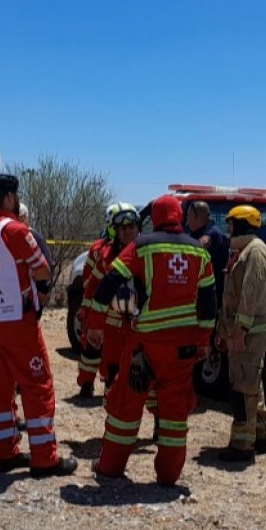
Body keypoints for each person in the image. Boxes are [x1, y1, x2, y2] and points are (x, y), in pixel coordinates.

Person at [88, 194, 216, 486]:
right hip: (183, 350)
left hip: (145, 347)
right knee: (173, 413)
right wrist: (204, 340)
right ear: (180, 216)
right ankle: (168, 475)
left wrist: (95, 322)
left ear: (155, 218)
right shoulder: (200, 251)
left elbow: (110, 280)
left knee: (126, 406)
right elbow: (209, 302)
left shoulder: (143, 247)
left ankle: (110, 467)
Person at [0, 174, 77, 476]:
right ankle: (45, 458)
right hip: (17, 319)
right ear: (8, 197)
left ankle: (4, 452)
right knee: (37, 384)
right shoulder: (14, 229)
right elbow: (42, 269)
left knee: (0, 387)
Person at [216, 205, 266, 463]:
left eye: (231, 224)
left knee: (242, 387)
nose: (228, 229)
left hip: (248, 334)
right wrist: (223, 330)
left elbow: (250, 293)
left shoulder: (256, 251)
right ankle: (259, 435)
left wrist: (239, 329)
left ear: (243, 224)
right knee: (252, 383)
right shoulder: (243, 251)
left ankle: (242, 446)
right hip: (242, 333)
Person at [77, 204, 140, 400]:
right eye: (123, 228)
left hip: (139, 323)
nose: (127, 232)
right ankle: (111, 406)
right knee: (110, 367)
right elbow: (92, 286)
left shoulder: (147, 251)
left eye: (131, 227)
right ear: (116, 229)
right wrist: (88, 317)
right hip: (111, 323)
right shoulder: (105, 254)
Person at [187, 200, 229, 309]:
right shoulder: (195, 232)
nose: (187, 220)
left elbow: (203, 242)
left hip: (211, 295)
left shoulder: (212, 233)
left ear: (196, 217)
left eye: (189, 216)